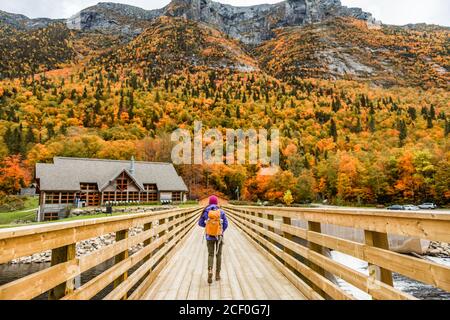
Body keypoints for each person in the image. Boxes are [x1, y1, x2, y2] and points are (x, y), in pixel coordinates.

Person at [198, 195, 228, 284]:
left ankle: (210, 270)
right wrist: (221, 231)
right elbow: (226, 224)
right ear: (216, 202)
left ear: (209, 202)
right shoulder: (221, 211)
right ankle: (217, 274)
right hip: (219, 236)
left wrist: (207, 227)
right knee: (218, 255)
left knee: (210, 254)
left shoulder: (206, 211)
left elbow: (200, 223)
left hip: (209, 236)